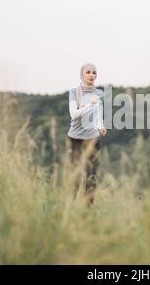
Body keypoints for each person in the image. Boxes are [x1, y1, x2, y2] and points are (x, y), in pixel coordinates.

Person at [67, 62, 107, 205]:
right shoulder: (74, 92)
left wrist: (100, 126)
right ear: (82, 75)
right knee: (76, 175)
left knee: (92, 175)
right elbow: (74, 115)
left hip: (92, 138)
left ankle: (88, 209)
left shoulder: (99, 93)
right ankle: (70, 206)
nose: (91, 75)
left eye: (94, 73)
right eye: (88, 72)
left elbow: (98, 112)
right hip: (76, 138)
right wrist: (89, 104)